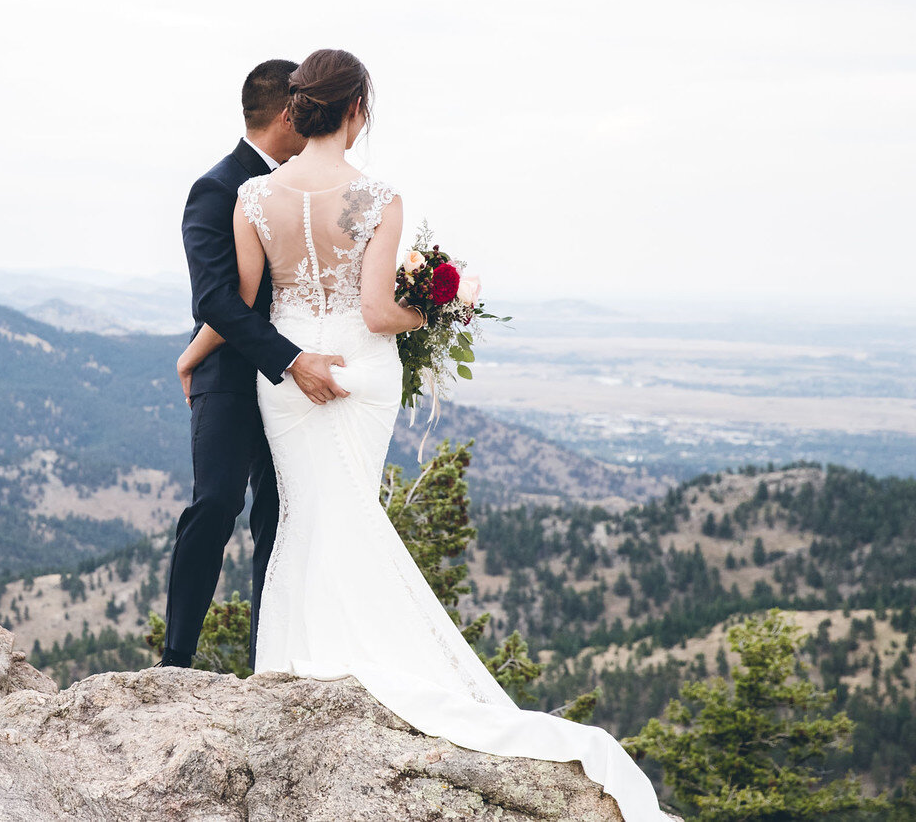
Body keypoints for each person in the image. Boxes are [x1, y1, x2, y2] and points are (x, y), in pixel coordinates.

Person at [174, 49, 674, 822]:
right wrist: (437, 309)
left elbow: (239, 301)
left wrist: (198, 350)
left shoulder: (250, 196)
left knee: (306, 513)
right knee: (342, 511)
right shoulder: (379, 197)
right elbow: (377, 312)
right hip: (359, 372)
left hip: (287, 377)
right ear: (356, 111)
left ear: (299, 110)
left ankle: (291, 663)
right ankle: (354, 660)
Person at [160, 59, 348, 670]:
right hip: (236, 375)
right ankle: (175, 659)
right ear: (290, 113)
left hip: (299, 380)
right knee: (214, 505)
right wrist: (290, 360)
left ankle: (269, 661)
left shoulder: (310, 187)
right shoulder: (216, 187)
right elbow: (213, 298)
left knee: (280, 516)